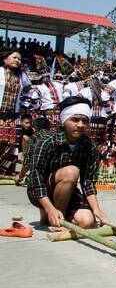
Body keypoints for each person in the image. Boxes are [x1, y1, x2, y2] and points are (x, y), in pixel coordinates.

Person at [26, 96, 106, 230]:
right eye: (74, 120)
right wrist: (50, 208)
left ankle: (59, 214)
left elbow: (88, 181)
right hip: (41, 191)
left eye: (85, 121)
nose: (80, 125)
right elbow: (35, 179)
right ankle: (57, 215)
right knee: (71, 171)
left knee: (87, 223)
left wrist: (96, 209)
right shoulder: (47, 141)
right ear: (64, 120)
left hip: (67, 190)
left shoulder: (89, 146)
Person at [0, 49, 31, 175]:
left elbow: (29, 92)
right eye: (14, 57)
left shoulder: (22, 76)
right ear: (5, 59)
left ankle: (3, 170)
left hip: (13, 116)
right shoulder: (0, 72)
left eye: (19, 59)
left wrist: (24, 105)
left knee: (10, 144)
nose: (17, 60)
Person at [15, 115, 50, 185]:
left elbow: (27, 164)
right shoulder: (55, 135)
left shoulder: (34, 138)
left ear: (34, 129)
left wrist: (20, 175)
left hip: (42, 177)